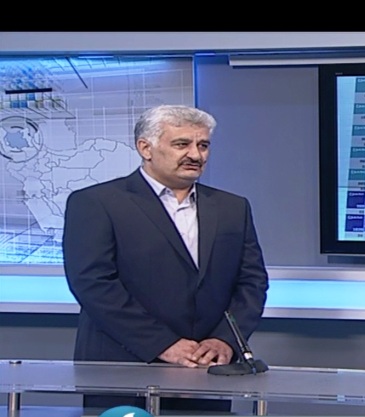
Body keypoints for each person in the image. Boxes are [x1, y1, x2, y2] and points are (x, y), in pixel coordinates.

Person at [62, 104, 269, 413]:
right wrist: (163, 344)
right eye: (182, 144)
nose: (196, 155)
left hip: (205, 369)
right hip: (122, 368)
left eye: (203, 145)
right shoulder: (96, 203)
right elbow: (93, 283)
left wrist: (224, 341)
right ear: (145, 148)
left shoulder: (232, 208)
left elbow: (252, 282)